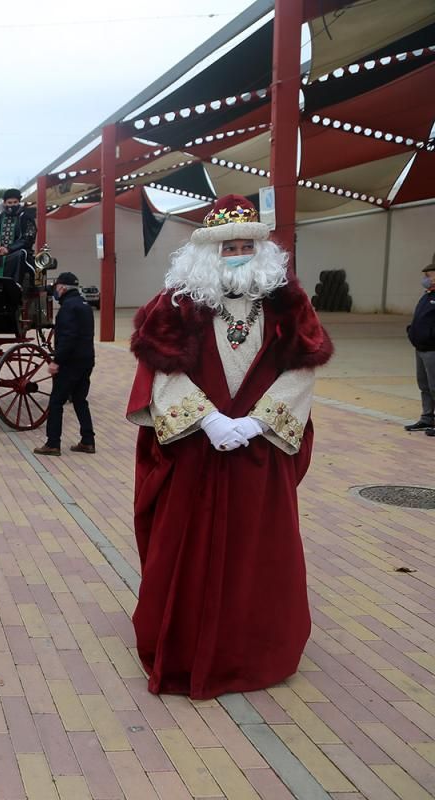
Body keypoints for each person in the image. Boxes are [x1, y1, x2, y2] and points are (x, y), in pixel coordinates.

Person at [125, 194, 333, 699]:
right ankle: (186, 643)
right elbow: (161, 373)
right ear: (206, 253)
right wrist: (209, 419)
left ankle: (252, 648)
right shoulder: (174, 304)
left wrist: (260, 424)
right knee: (186, 547)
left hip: (258, 459)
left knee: (258, 553)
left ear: (261, 250)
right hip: (197, 452)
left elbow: (301, 371)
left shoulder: (290, 303)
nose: (237, 253)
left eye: (245, 245)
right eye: (227, 247)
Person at [32, 272, 96, 456]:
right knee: (80, 400)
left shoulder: (68, 308)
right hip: (86, 360)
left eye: (57, 288)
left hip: (70, 363)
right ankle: (88, 440)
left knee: (56, 402)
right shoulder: (84, 305)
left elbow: (68, 338)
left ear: (62, 288)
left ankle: (52, 443)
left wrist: (56, 361)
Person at [404, 253, 435, 435]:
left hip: (432, 349)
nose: (424, 279)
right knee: (424, 385)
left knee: (434, 386)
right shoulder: (427, 295)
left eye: (428, 275)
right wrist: (412, 331)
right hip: (420, 348)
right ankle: (427, 417)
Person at [0, 189, 36, 280]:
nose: (12, 205)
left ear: (19, 202)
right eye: (9, 202)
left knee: (21, 255)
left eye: (15, 202)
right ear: (4, 203)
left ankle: (15, 285)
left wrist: (9, 249)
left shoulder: (26, 218)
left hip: (17, 251)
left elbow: (28, 238)